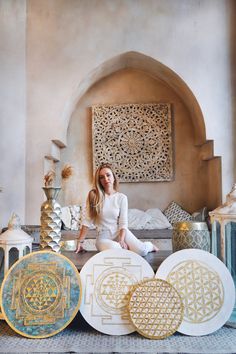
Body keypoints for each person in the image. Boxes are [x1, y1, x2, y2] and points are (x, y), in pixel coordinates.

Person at [75, 163, 158, 256]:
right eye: (102, 177)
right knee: (117, 249)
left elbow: (123, 223)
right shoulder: (94, 196)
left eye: (108, 175)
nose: (106, 179)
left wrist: (121, 240)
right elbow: (87, 221)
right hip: (103, 237)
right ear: (99, 181)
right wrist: (80, 242)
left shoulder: (122, 198)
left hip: (118, 232)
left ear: (113, 177)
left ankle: (149, 246)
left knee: (141, 251)